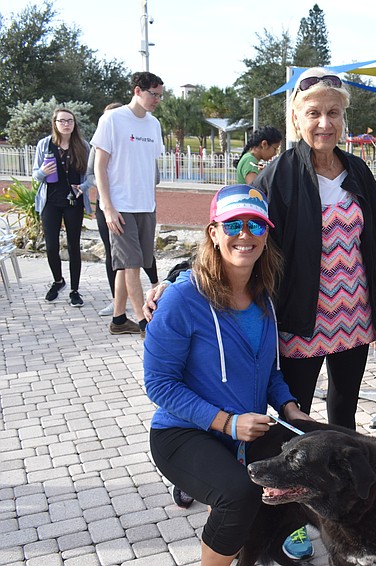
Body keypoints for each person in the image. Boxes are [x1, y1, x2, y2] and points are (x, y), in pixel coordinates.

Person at [252, 67, 376, 559]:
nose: (324, 123)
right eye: (313, 113)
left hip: (354, 318)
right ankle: (285, 517)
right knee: (293, 423)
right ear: (296, 118)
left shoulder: (357, 172)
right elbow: (246, 242)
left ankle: (341, 506)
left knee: (343, 415)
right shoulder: (278, 175)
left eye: (333, 113)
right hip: (301, 322)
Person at [144, 184, 310, 566]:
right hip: (183, 432)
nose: (245, 235)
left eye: (256, 225)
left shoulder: (263, 297)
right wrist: (227, 422)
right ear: (214, 233)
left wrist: (289, 407)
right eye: (233, 225)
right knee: (238, 495)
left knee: (308, 463)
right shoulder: (181, 299)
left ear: (266, 234)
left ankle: (260, 542)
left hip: (241, 432)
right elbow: (159, 384)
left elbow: (268, 371)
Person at [91, 71, 164, 336]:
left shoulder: (154, 124)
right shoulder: (112, 119)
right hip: (120, 206)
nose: (157, 100)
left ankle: (119, 319)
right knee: (131, 264)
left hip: (145, 205)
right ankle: (144, 322)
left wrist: (152, 202)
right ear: (137, 91)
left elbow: (149, 166)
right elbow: (100, 165)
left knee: (131, 263)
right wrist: (108, 207)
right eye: (153, 94)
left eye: (160, 96)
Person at [32, 108, 93, 307]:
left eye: (70, 121)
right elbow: (35, 174)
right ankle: (58, 281)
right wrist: (42, 172)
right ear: (55, 123)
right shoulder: (45, 144)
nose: (66, 124)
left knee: (74, 246)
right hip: (50, 202)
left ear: (74, 124)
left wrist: (83, 187)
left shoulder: (83, 146)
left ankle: (75, 290)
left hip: (73, 202)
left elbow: (91, 175)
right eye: (62, 121)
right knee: (51, 246)